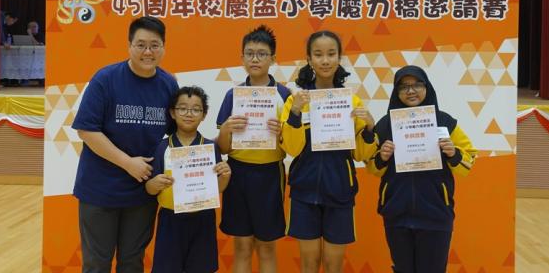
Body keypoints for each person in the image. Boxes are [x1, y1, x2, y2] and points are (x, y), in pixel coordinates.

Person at [71, 16, 179, 273]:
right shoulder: (105, 79)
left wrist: (215, 149)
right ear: (129, 45)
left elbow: (176, 136)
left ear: (164, 47)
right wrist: (127, 163)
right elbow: (87, 130)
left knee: (132, 263)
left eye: (154, 45)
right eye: (141, 45)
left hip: (142, 192)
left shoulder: (168, 84)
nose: (148, 52)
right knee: (97, 265)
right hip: (100, 190)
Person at [280, 30, 377, 273]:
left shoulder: (351, 101)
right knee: (309, 263)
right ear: (309, 59)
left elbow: (361, 154)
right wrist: (295, 113)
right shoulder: (296, 101)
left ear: (339, 58)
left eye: (331, 54)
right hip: (304, 191)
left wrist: (369, 128)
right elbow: (291, 148)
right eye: (318, 54)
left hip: (340, 190)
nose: (325, 60)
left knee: (334, 265)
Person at [367, 65, 478, 273]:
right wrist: (382, 157)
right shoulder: (385, 125)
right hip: (396, 213)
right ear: (396, 91)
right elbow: (372, 167)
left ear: (427, 87)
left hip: (436, 214)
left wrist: (453, 153)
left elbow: (469, 161)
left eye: (417, 85)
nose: (411, 91)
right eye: (404, 87)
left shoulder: (445, 122)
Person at [216, 25, 290, 273]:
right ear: (242, 58)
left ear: (273, 58)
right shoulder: (233, 95)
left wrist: (283, 134)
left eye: (261, 54)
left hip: (270, 175)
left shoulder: (284, 95)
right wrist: (226, 129)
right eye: (249, 53)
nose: (255, 59)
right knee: (242, 246)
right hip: (237, 173)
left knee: (267, 247)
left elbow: (292, 146)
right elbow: (223, 147)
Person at [146, 86, 231, 273]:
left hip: (203, 219)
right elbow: (150, 189)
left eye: (196, 109)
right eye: (182, 108)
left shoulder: (209, 148)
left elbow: (218, 188)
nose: (188, 114)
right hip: (170, 219)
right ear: (172, 113)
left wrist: (225, 176)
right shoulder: (162, 147)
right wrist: (154, 183)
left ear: (204, 115)